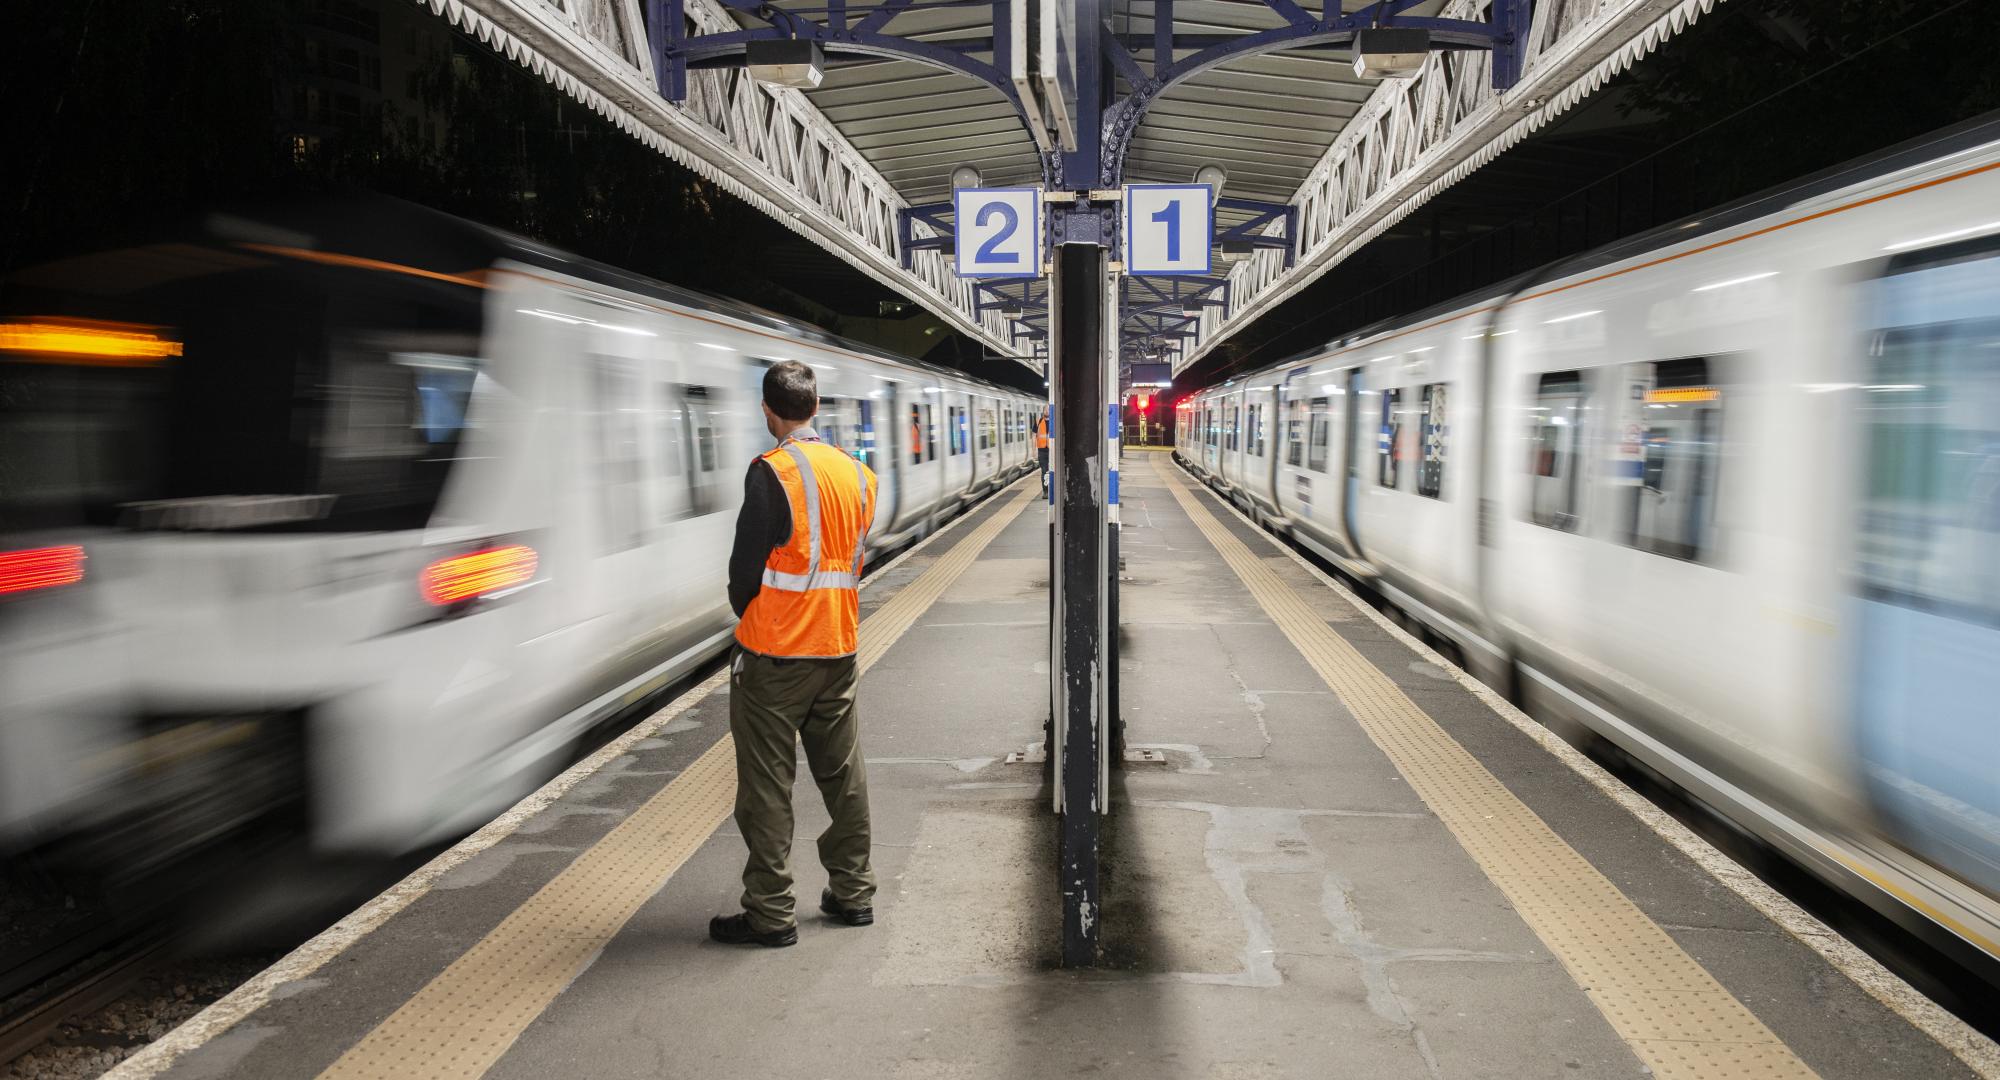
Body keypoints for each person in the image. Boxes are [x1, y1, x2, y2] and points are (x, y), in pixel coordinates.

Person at [711, 361, 880, 948]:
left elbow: (743, 575)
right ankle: (853, 893)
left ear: (768, 411)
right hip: (838, 649)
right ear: (816, 407)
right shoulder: (860, 475)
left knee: (766, 788)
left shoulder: (772, 473)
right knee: (844, 778)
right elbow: (857, 561)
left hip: (777, 657)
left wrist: (755, 615)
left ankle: (772, 912)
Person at [1035, 408, 1051, 495]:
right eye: (1045, 410)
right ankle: (1045, 491)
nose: (1047, 411)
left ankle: (1052, 490)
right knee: (1044, 471)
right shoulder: (1038, 422)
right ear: (1043, 411)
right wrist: (1033, 450)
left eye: (1048, 410)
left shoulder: (1055, 421)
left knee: (1053, 471)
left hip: (1052, 451)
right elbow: (1033, 435)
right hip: (1042, 451)